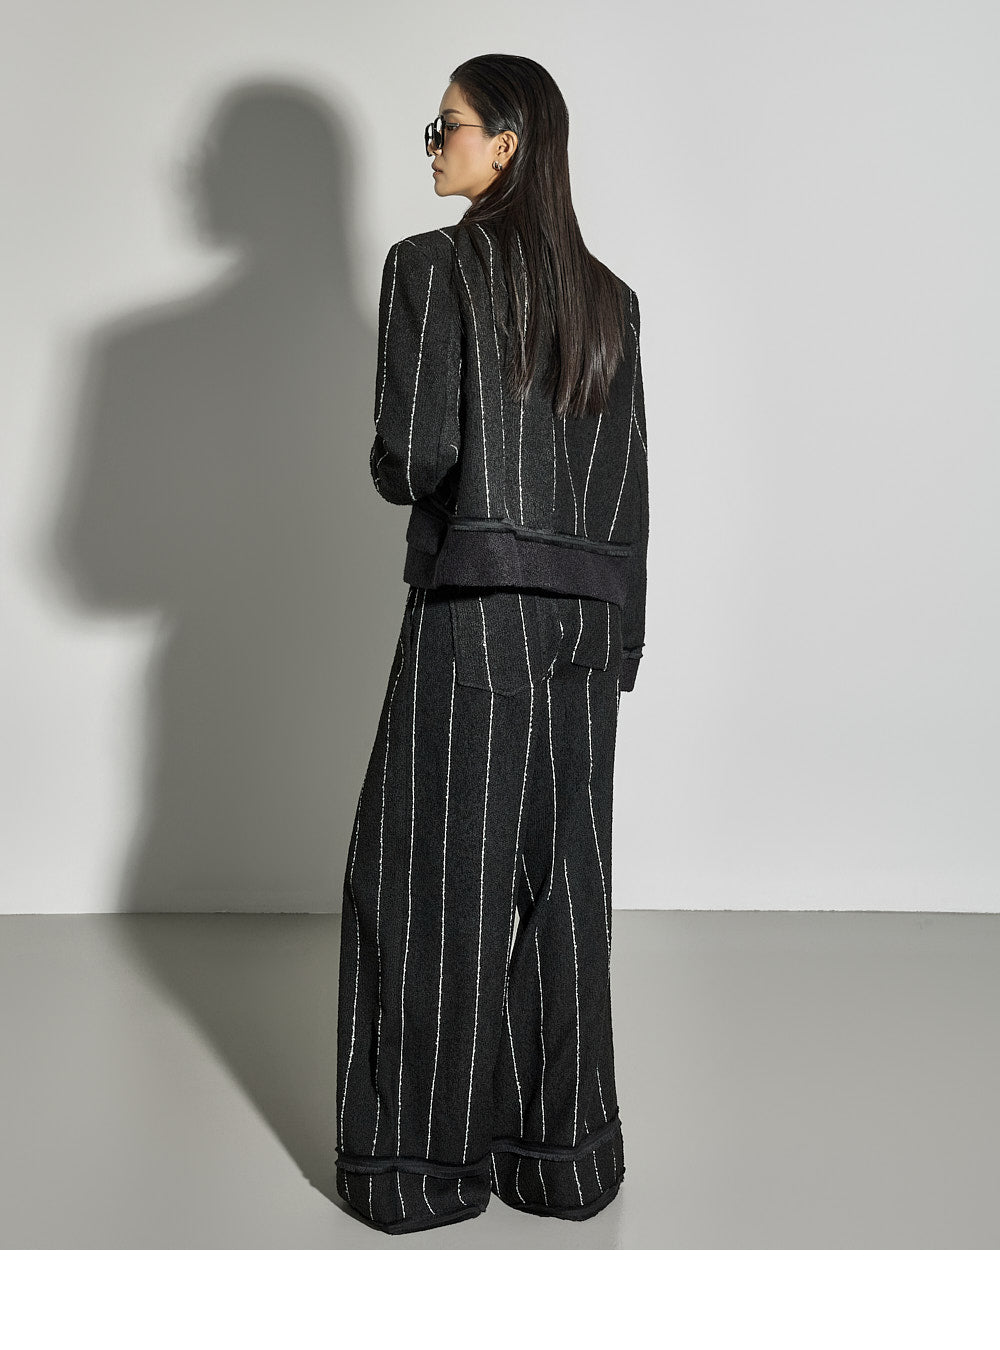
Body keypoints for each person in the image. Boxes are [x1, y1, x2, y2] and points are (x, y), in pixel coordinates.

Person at [335, 53, 649, 1234]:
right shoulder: (609, 298)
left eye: (448, 127)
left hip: (477, 614)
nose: (433, 145)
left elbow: (413, 458)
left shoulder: (430, 267)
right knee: (564, 890)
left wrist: (388, 457)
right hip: (587, 625)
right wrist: (620, 643)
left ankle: (419, 1175)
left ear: (506, 144)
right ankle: (564, 1164)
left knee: (425, 881)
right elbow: (628, 485)